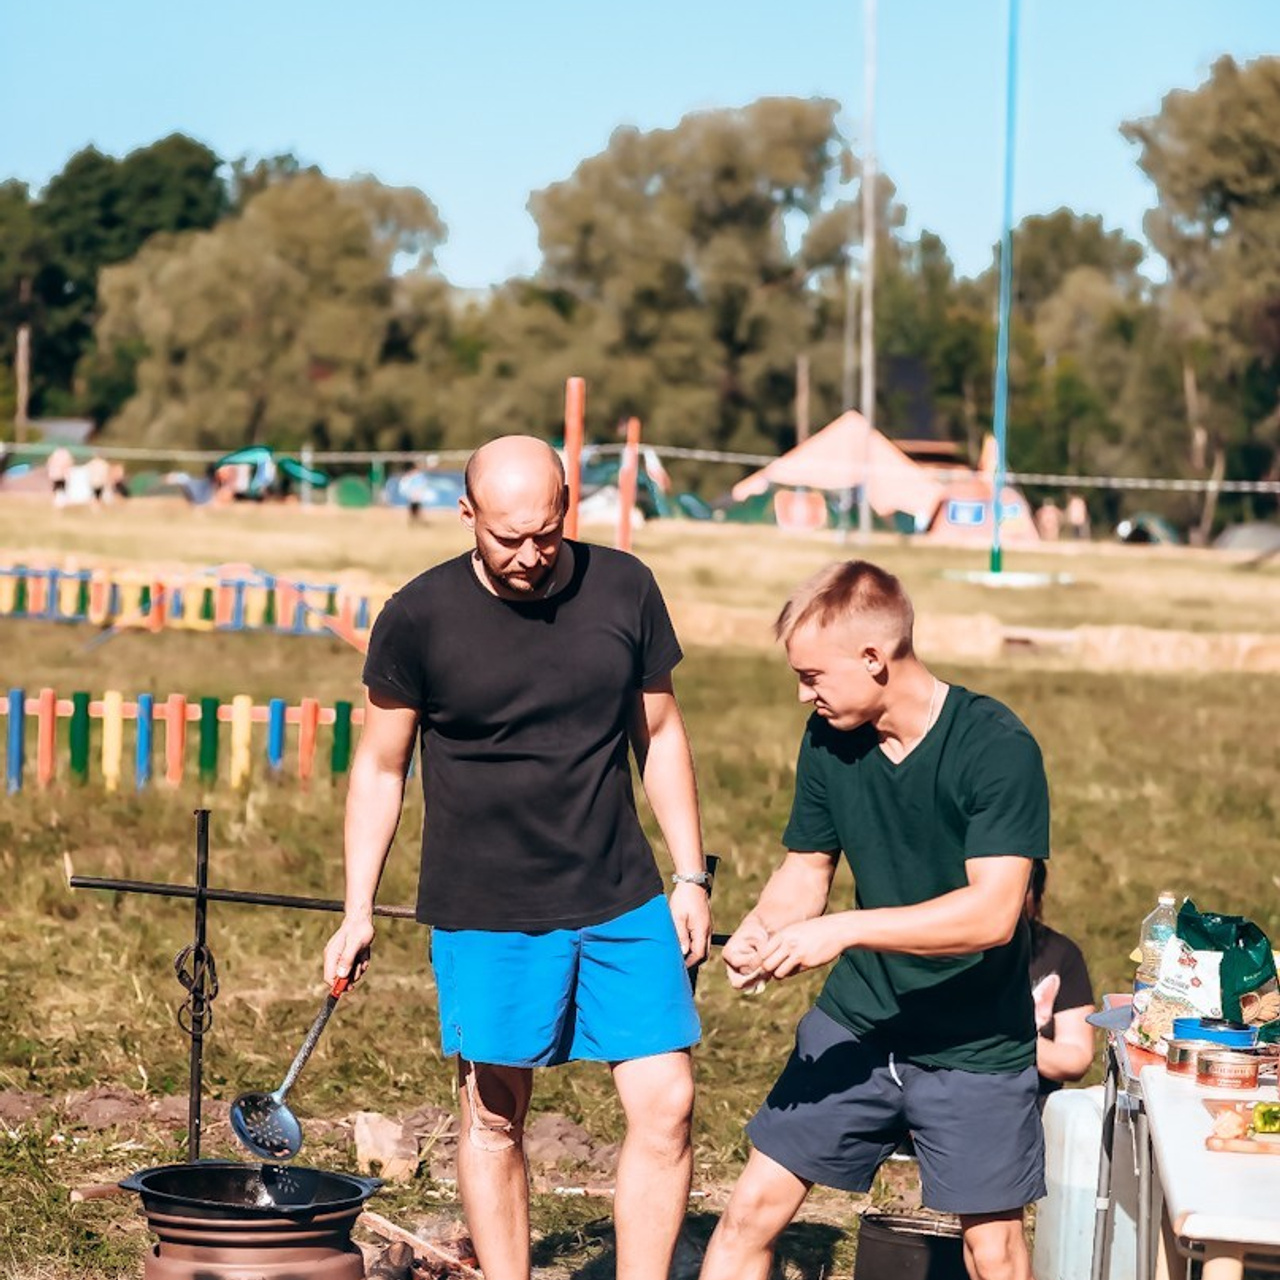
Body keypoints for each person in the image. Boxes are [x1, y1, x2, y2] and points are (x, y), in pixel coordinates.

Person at [324, 434, 710, 1280]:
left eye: (547, 531)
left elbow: (662, 733)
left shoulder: (625, 588)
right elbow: (382, 767)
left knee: (668, 1105)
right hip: (486, 907)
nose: (532, 555)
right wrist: (358, 908)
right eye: (508, 538)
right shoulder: (419, 616)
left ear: (567, 505)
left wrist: (691, 874)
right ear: (467, 515)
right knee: (495, 1117)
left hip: (621, 894)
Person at [701, 560, 1050, 1280]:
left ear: (873, 658)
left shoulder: (996, 747)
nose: (804, 693)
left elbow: (993, 914)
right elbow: (806, 870)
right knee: (748, 1215)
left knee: (995, 1251)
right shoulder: (830, 737)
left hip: (975, 1038)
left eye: (812, 676)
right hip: (860, 1020)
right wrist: (765, 931)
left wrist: (843, 930)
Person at [1026, 860, 1095, 1103]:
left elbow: (1077, 1057)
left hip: (1031, 1106)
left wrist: (1010, 1040)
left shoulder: (1060, 954)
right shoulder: (946, 949)